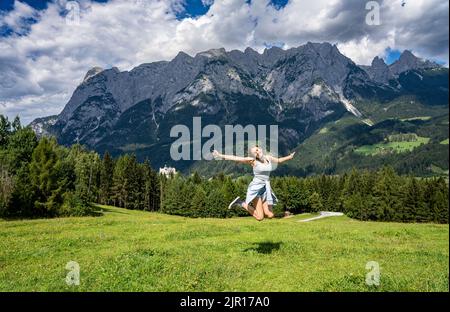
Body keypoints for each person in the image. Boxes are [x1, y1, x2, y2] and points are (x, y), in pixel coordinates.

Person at [212, 146, 295, 221]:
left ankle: (242, 203)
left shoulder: (268, 158)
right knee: (260, 217)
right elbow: (236, 158)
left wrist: (290, 157)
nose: (257, 152)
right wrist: (220, 155)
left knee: (270, 215)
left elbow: (279, 160)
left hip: (265, 189)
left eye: (257, 150)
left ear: (260, 149)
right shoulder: (253, 161)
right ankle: (241, 203)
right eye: (254, 152)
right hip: (256, 189)